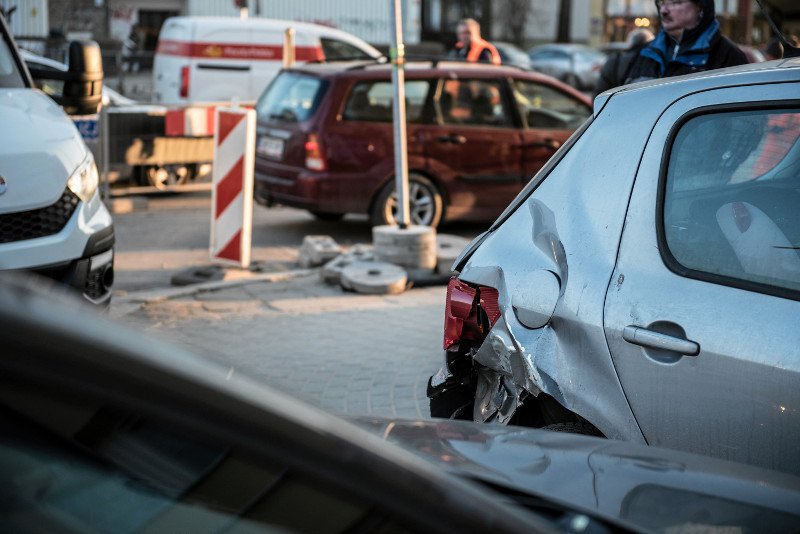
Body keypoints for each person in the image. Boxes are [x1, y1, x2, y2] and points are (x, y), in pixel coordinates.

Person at [625, 0, 747, 84]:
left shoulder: (728, 55)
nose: (663, 10)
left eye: (675, 2)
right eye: (661, 2)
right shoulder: (647, 53)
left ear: (700, 7)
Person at [594, 28, 655, 96]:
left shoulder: (615, 60)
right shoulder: (656, 61)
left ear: (629, 43)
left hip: (617, 101)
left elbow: (601, 90)